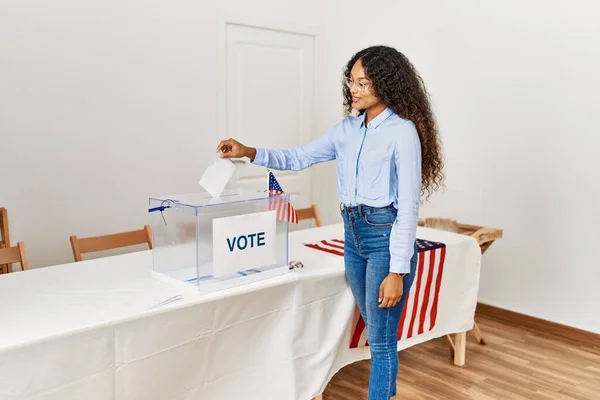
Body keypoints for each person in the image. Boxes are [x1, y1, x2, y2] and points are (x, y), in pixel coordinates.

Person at [216, 45, 444, 400]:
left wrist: (397, 271)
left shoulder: (402, 132)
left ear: (385, 84)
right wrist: (248, 152)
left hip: (385, 237)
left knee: (382, 342)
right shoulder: (346, 130)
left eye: (363, 82)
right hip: (353, 234)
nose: (354, 89)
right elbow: (297, 157)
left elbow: (409, 207)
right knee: (375, 330)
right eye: (351, 81)